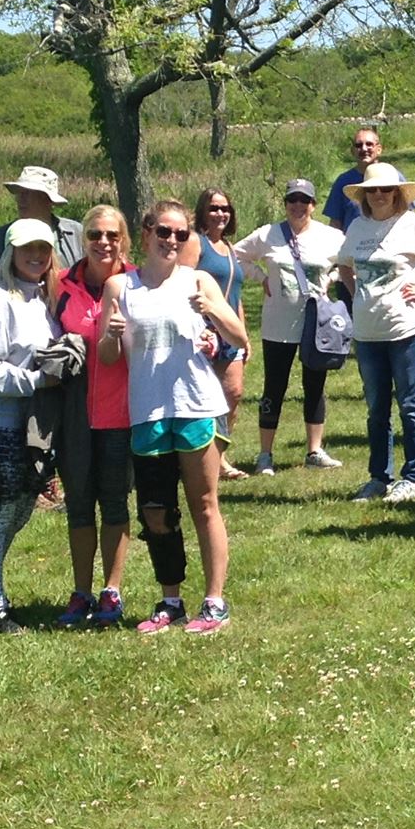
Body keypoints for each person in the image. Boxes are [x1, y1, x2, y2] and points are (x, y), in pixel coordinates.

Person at [102, 201, 246, 634]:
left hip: (197, 405)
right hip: (148, 409)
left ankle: (215, 601)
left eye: (182, 234)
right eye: (164, 231)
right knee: (156, 511)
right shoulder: (119, 287)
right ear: (146, 232)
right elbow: (110, 358)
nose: (172, 241)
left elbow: (238, 338)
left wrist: (212, 310)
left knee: (204, 505)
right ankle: (171, 600)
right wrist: (110, 336)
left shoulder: (197, 280)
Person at [0, 217, 73, 631]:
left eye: (44, 249)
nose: (36, 256)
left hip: (34, 425)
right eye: (28, 248)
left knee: (22, 509)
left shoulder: (42, 301)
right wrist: (37, 380)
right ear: (10, 252)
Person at [334, 161, 415, 503]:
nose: (378, 195)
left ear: (396, 193)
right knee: (376, 409)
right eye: (372, 190)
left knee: (411, 404)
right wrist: (354, 295)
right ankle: (379, 477)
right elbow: (344, 264)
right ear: (364, 195)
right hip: (367, 334)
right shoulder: (358, 228)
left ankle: (414, 476)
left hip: (406, 330)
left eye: (385, 190)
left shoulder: (413, 225)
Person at [50, 204, 137, 628]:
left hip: (122, 411)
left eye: (112, 235)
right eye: (95, 235)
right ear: (83, 240)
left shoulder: (137, 283)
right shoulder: (61, 284)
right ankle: (80, 590)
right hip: (74, 412)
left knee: (116, 501)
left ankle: (111, 590)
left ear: (124, 240)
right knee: (80, 504)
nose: (104, 243)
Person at [231, 180, 348, 474]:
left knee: (315, 385)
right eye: (292, 200)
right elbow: (235, 255)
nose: (298, 206)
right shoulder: (269, 234)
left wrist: (330, 279)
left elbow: (350, 261)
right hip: (277, 324)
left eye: (304, 200)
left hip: (316, 323)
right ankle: (265, 454)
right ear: (285, 203)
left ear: (313, 204)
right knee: (275, 385)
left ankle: (314, 450)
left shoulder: (330, 236)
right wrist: (260, 277)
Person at [193, 188, 251, 476]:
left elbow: (235, 295)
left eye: (225, 208)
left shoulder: (229, 248)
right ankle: (202, 457)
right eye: (214, 208)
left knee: (233, 393)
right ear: (203, 212)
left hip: (228, 331)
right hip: (203, 333)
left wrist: (243, 333)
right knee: (205, 395)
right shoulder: (196, 243)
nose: (220, 214)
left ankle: (220, 455)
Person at [0, 164, 84, 295]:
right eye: (19, 193)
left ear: (47, 199)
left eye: (28, 193)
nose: (20, 199)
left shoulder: (76, 233)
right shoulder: (0, 238)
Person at [325, 125, 384, 230]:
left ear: (379, 149)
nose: (364, 148)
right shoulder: (343, 182)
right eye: (359, 145)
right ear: (353, 151)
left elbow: (406, 215)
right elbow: (335, 223)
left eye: (369, 144)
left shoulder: (393, 177)